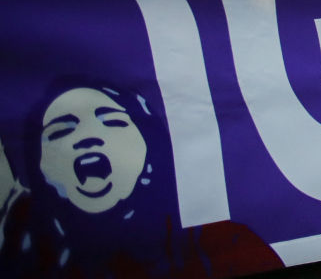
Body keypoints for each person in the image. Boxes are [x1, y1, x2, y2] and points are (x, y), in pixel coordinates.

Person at [0, 79, 281, 278]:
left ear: (152, 146)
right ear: (36, 168)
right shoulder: (23, 259)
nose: (87, 138)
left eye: (112, 121)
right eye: (60, 131)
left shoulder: (222, 244)